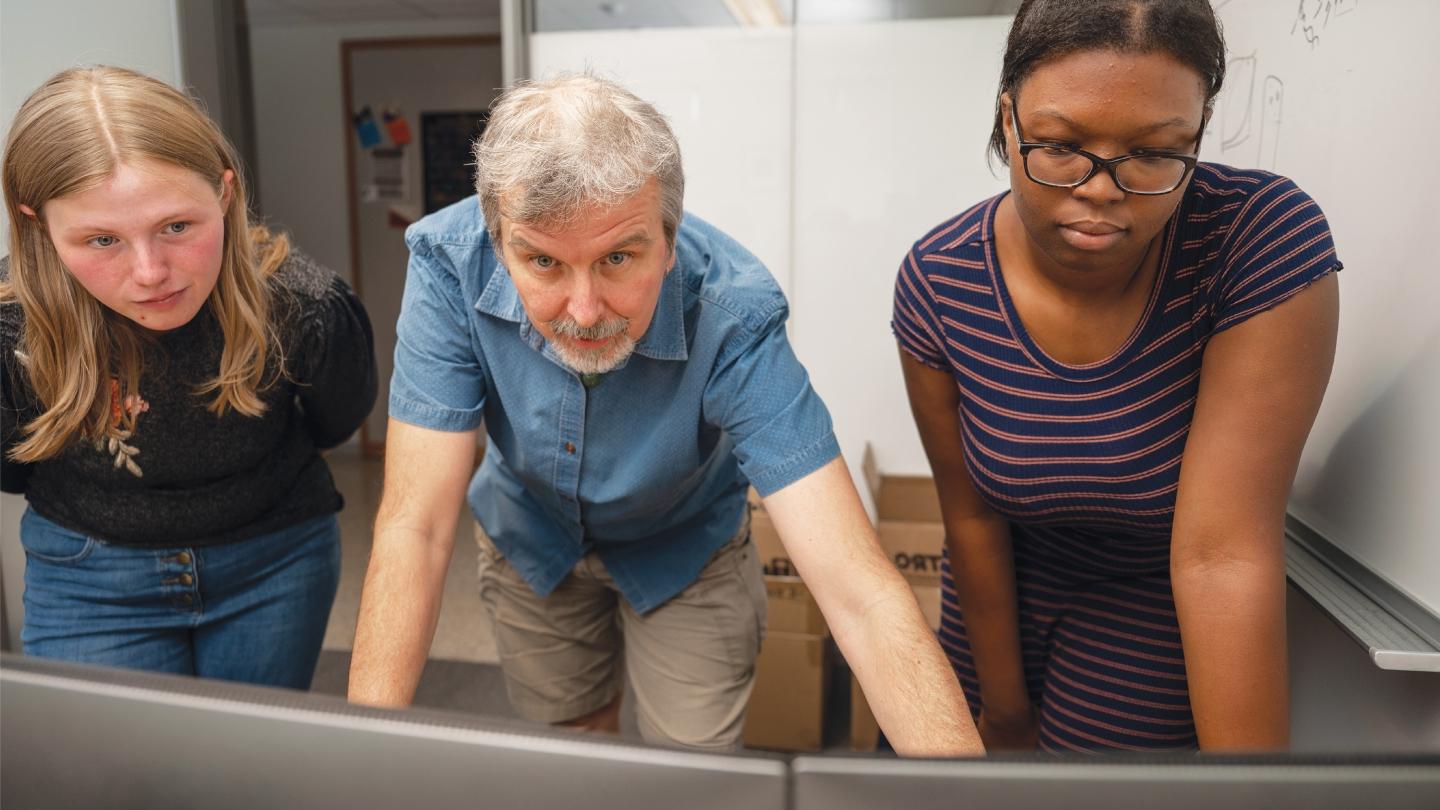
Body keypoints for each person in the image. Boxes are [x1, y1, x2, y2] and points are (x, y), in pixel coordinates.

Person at [347, 73, 982, 755]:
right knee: (575, 751)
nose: (584, 310)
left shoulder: (734, 313)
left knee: (690, 774)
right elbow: (415, 529)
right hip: (532, 533)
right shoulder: (449, 265)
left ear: (669, 239)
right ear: (498, 243)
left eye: (618, 257)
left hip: (686, 549)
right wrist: (360, 765)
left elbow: (859, 592)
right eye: (543, 262)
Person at [893, 0, 1340, 752]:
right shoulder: (942, 280)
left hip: (1156, 597)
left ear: (1197, 132)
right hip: (998, 598)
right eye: (1061, 146)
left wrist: (1256, 798)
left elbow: (1222, 556)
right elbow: (970, 519)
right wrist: (1003, 711)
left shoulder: (1257, 241)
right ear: (1009, 120)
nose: (1102, 189)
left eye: (1155, 153)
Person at [0, 66, 377, 689]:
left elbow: (337, 419)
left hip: (275, 563)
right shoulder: (11, 328)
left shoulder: (302, 306)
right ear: (39, 224)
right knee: (111, 783)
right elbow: (11, 468)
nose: (151, 273)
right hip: (89, 577)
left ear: (224, 194)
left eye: (177, 227)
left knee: (249, 768)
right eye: (101, 240)